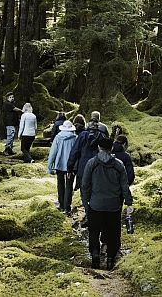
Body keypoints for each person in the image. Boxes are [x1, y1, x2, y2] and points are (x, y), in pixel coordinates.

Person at [80, 137, 133, 270]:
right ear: (111, 148)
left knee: (94, 232)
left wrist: (86, 203)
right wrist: (128, 202)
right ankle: (110, 259)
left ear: (99, 147)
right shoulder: (119, 164)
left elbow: (84, 185)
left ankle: (95, 256)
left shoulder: (92, 163)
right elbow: (124, 186)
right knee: (113, 233)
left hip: (95, 205)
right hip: (114, 205)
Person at [67, 111, 108, 225]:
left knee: (84, 191)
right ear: (99, 119)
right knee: (98, 190)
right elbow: (108, 150)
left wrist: (70, 168)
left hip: (83, 168)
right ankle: (97, 214)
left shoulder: (82, 135)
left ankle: (89, 213)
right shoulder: (103, 133)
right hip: (99, 167)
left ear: (90, 119)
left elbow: (74, 152)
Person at [46, 119, 78, 214]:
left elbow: (53, 152)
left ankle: (61, 204)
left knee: (60, 184)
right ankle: (67, 206)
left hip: (59, 164)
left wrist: (50, 166)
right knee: (69, 185)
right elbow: (77, 153)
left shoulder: (58, 137)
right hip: (71, 166)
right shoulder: (75, 138)